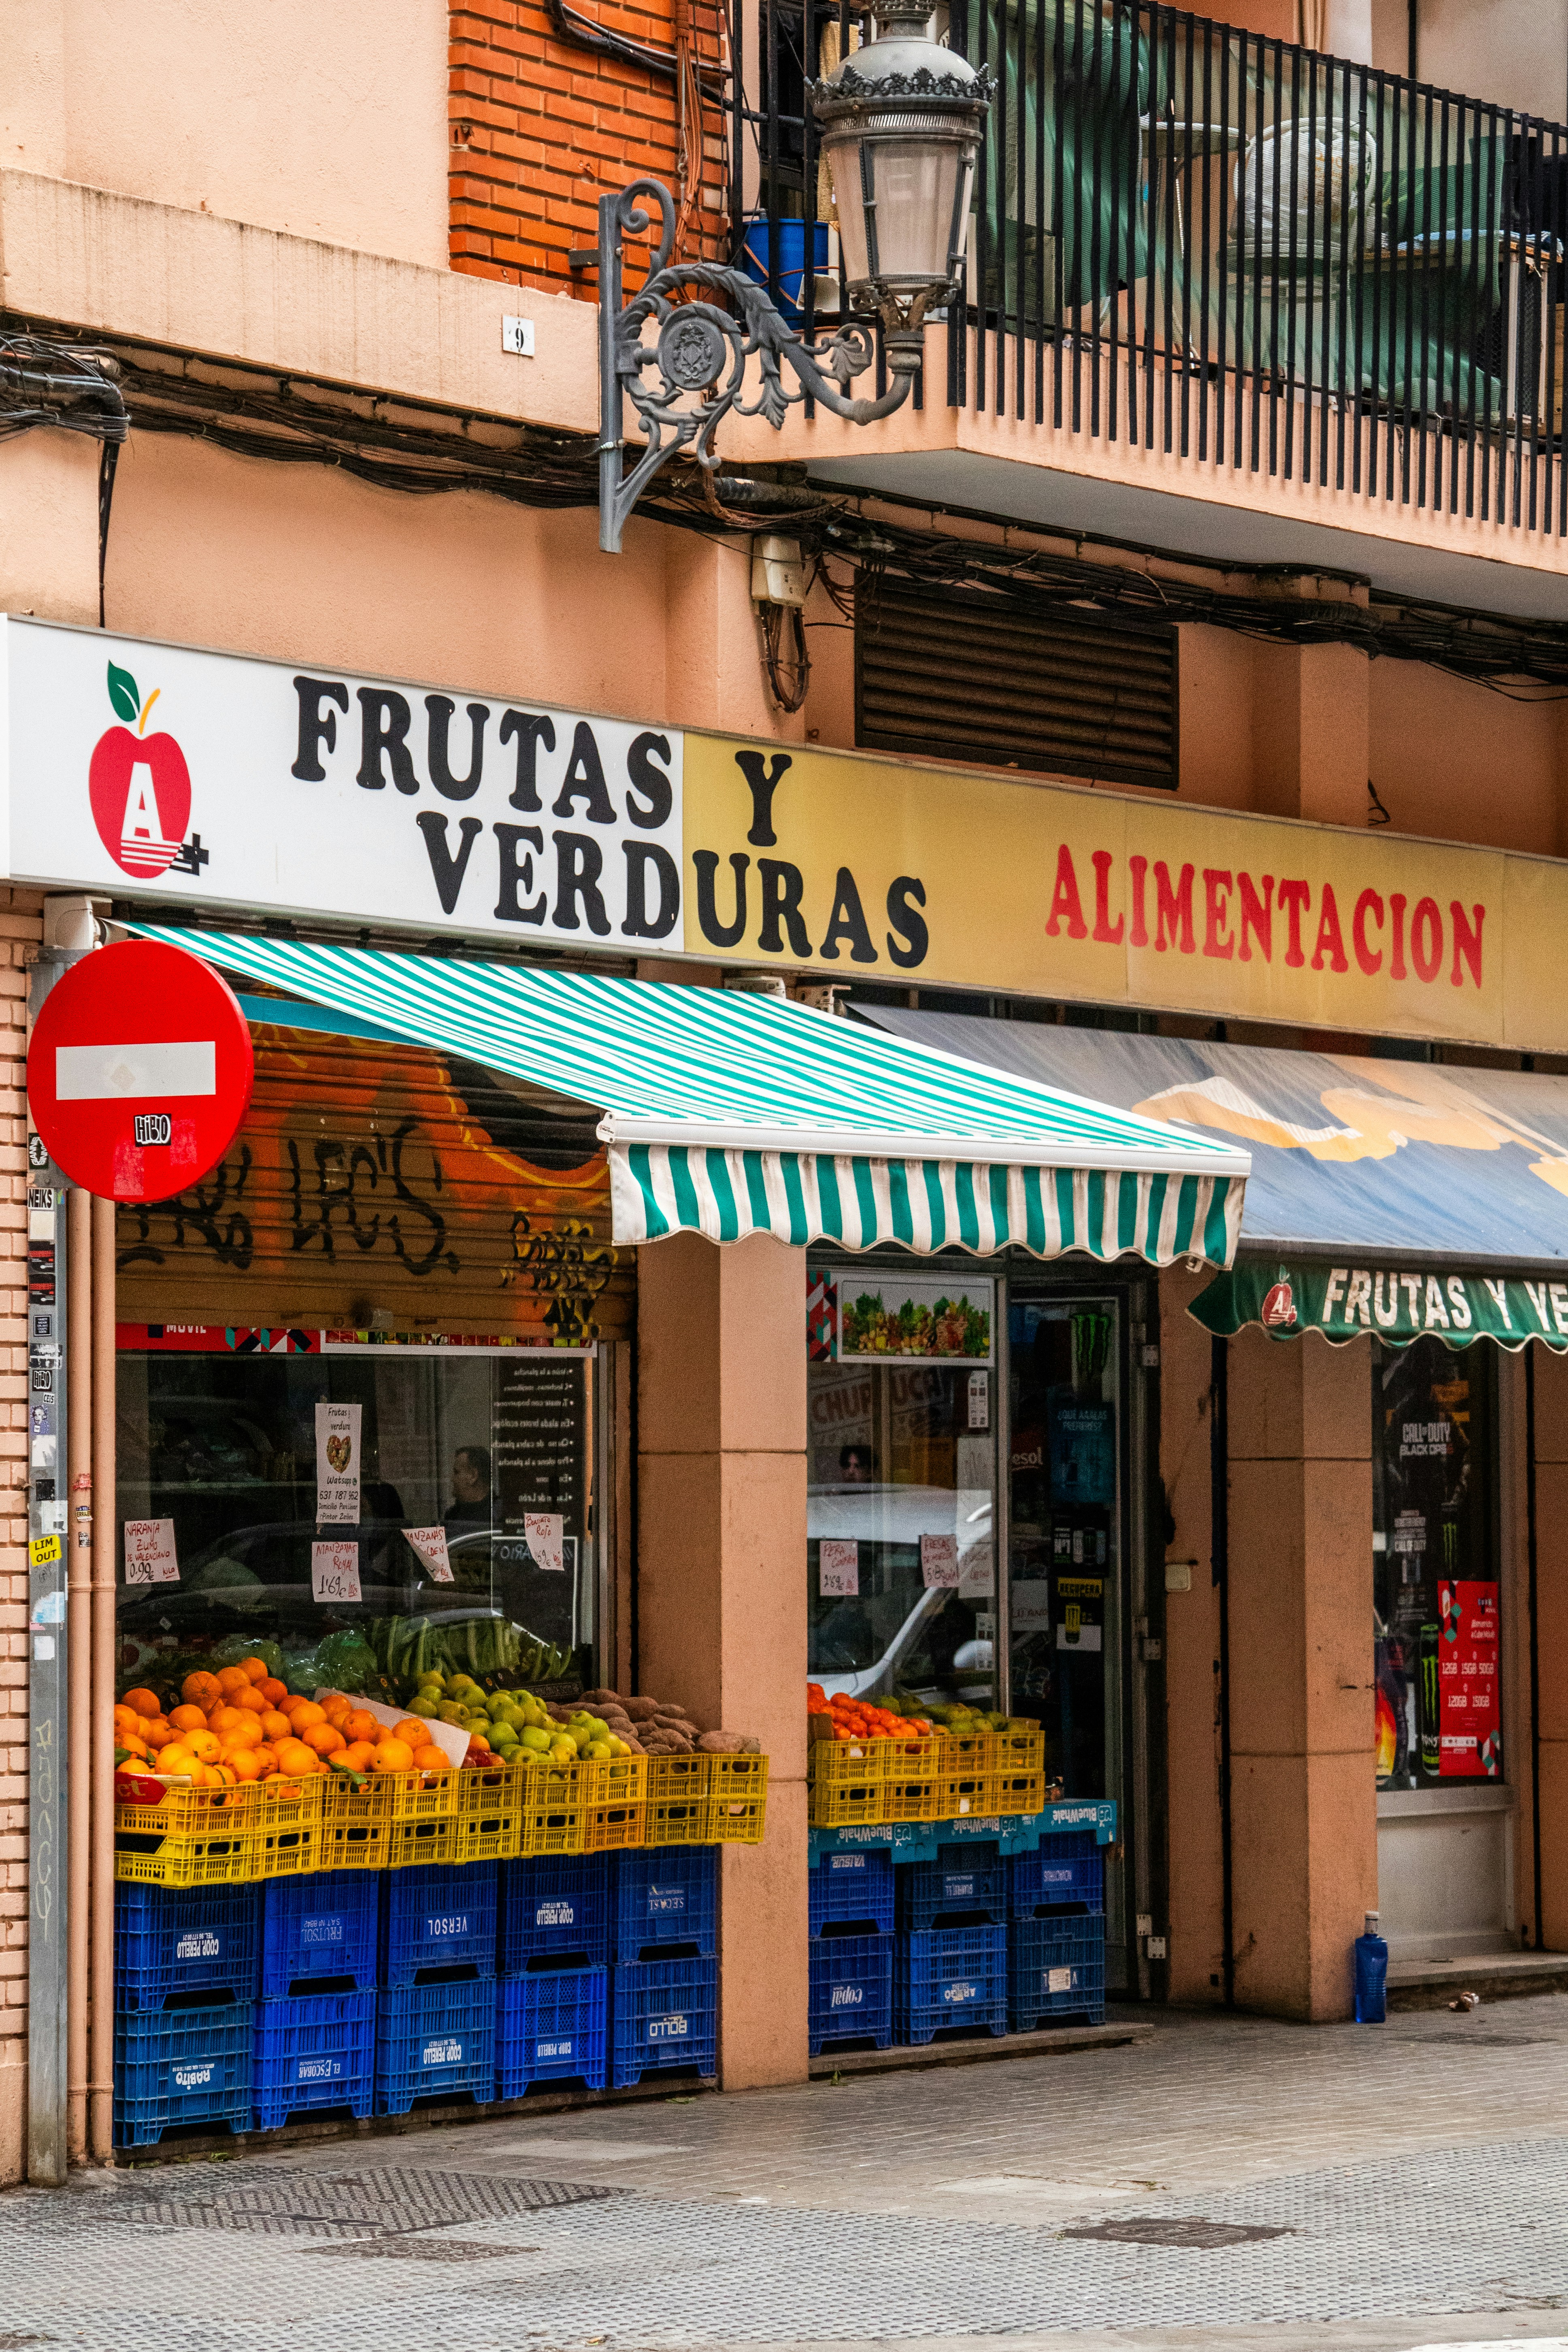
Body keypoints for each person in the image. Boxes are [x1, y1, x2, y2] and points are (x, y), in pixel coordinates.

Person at [443, 1443, 492, 1533]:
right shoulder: (452, 1515)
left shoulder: (497, 1515)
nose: (453, 1479)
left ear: (473, 1476)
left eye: (457, 1472)